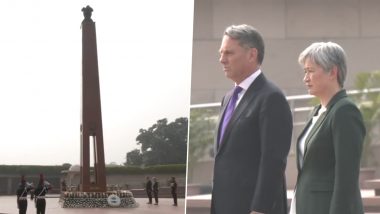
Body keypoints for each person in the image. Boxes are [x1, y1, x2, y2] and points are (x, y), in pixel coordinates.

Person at [211, 24, 293, 214]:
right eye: (221, 53)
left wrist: (260, 208)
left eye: (229, 53)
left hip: (253, 208)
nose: (222, 60)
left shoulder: (271, 98)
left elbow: (274, 161)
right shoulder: (228, 98)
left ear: (251, 54)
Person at [289, 42, 366, 214]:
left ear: (333, 72)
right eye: (305, 71)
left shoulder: (345, 111)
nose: (305, 78)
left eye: (311, 71)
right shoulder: (316, 112)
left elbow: (347, 178)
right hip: (306, 205)